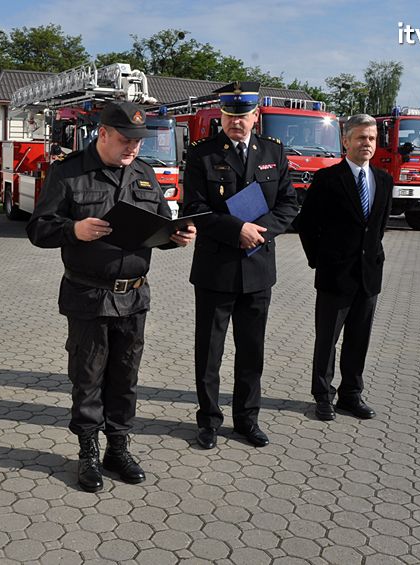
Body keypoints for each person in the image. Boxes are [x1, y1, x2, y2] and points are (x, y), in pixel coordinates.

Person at [26, 101, 196, 492]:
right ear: (102, 134)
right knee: (87, 377)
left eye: (138, 141)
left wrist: (177, 237)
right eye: (125, 140)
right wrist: (74, 230)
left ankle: (117, 448)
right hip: (89, 294)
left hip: (134, 296)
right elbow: (39, 229)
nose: (133, 148)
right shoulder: (69, 172)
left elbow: (158, 224)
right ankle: (88, 451)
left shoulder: (143, 173)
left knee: (125, 377)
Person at [182, 81, 298, 450]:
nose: (237, 122)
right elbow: (195, 210)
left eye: (244, 115)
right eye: (230, 115)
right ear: (221, 115)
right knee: (210, 352)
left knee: (252, 351)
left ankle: (248, 419)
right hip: (216, 269)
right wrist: (239, 230)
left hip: (258, 267)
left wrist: (259, 232)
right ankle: (209, 421)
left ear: (255, 116)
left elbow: (288, 205)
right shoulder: (201, 154)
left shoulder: (273, 152)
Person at [294, 114, 393, 421]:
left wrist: (372, 256)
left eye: (372, 139)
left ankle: (351, 394)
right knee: (327, 340)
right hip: (335, 276)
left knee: (359, 340)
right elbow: (307, 226)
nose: (367, 144)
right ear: (346, 141)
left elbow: (378, 227)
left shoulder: (384, 180)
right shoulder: (328, 180)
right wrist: (320, 261)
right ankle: (323, 395)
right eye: (361, 138)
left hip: (368, 276)